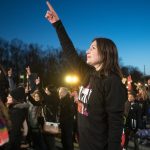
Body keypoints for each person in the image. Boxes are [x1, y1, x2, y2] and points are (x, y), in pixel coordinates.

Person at [45, 1, 127, 150]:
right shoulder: (88, 73)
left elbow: (116, 124)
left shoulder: (112, 82)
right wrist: (57, 24)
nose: (87, 51)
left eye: (93, 48)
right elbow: (70, 53)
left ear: (106, 52)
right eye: (88, 47)